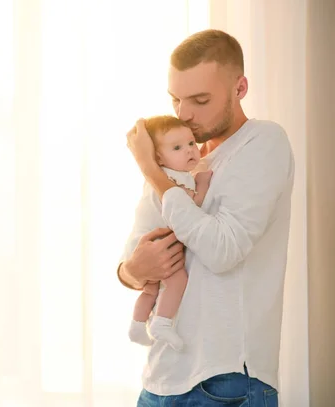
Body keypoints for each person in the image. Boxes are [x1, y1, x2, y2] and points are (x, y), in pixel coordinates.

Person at [118, 29, 294, 406]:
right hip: (160, 379)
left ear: (240, 87)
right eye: (176, 99)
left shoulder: (263, 143)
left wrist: (151, 169)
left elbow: (222, 251)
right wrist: (135, 269)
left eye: (199, 100)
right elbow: (130, 260)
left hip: (223, 380)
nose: (183, 114)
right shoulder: (179, 161)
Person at [126, 115, 213, 351]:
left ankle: (136, 326)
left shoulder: (163, 177)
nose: (189, 151)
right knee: (178, 280)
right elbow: (190, 207)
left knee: (150, 289)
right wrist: (203, 183)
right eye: (177, 147)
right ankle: (161, 323)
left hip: (140, 244)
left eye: (191, 143)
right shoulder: (171, 178)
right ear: (158, 158)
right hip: (156, 244)